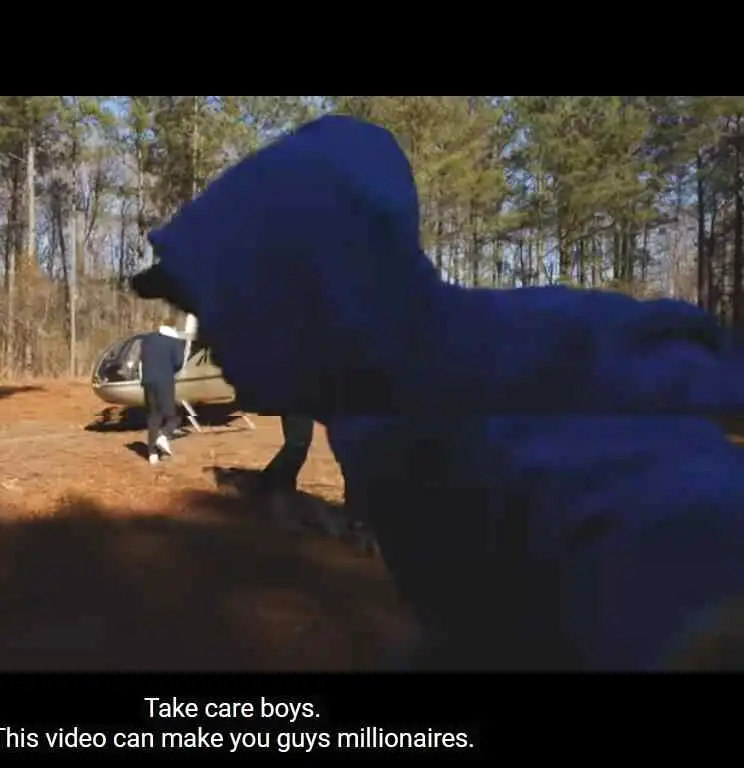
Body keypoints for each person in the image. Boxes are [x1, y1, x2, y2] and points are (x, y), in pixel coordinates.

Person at [132, 115, 744, 669]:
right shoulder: (371, 405)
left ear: (299, 290)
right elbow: (494, 617)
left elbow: (692, 562)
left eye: (216, 301)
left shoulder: (508, 391)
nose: (206, 332)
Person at [139, 323, 185, 465]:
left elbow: (142, 358)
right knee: (173, 417)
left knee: (153, 417)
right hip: (164, 381)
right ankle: (163, 435)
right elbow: (178, 363)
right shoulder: (174, 342)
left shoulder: (147, 339)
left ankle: (152, 454)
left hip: (148, 382)